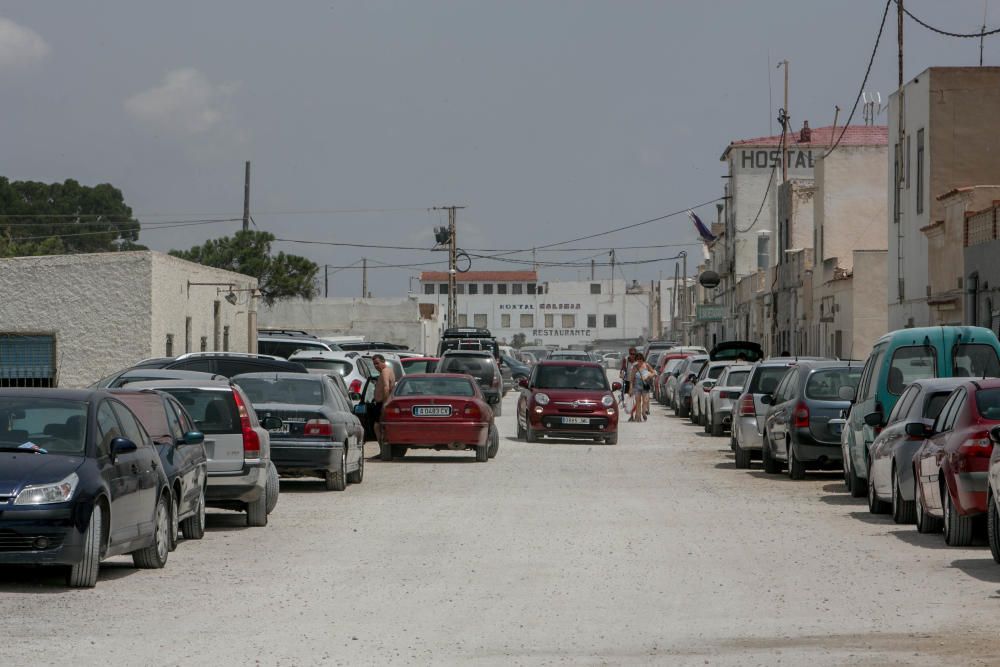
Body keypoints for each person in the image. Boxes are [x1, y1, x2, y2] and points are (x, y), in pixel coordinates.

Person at [371, 354, 396, 443]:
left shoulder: (385, 371)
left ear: (383, 362)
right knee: (381, 427)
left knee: (377, 427)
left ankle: (382, 449)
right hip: (381, 402)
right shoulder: (388, 371)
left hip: (382, 403)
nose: (376, 366)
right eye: (374, 364)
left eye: (377, 363)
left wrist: (384, 405)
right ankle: (384, 449)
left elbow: (386, 387)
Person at [630, 353, 653, 422]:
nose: (639, 361)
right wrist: (630, 389)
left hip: (645, 386)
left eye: (641, 360)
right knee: (638, 402)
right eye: (638, 360)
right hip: (637, 387)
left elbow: (653, 372)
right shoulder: (635, 367)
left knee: (645, 401)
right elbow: (631, 379)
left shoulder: (646, 365)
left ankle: (643, 412)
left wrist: (648, 376)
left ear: (643, 359)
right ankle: (638, 416)